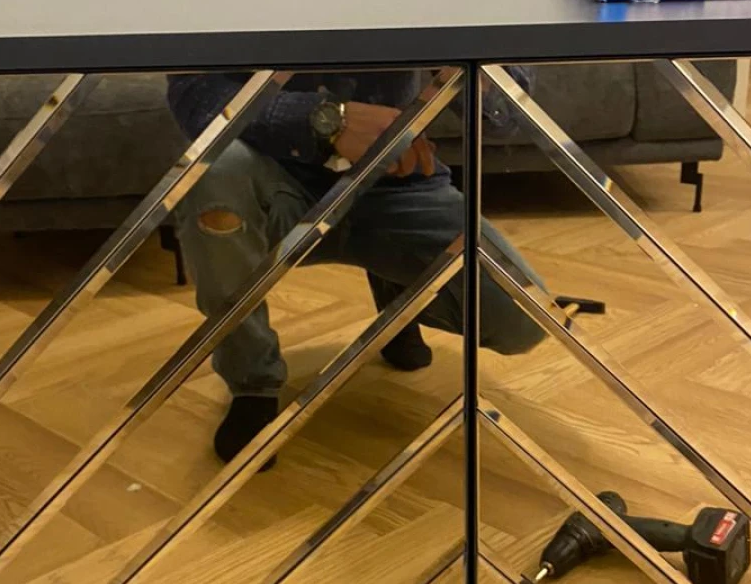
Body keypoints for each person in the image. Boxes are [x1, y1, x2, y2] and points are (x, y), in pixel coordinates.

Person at [166, 68, 544, 465]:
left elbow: (505, 116)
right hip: (271, 174)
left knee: (523, 321)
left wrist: (471, 69)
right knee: (211, 171)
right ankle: (251, 380)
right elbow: (194, 93)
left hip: (397, 179)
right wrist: (327, 120)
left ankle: (397, 294)